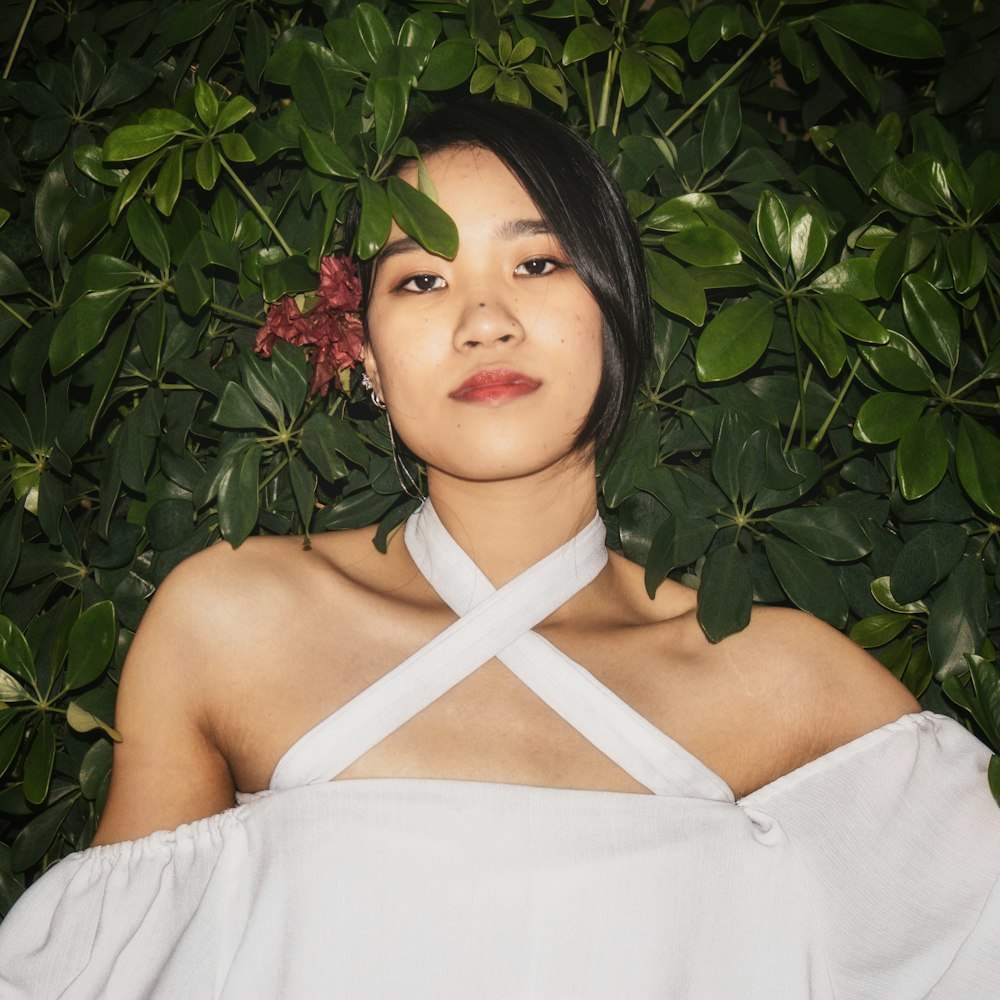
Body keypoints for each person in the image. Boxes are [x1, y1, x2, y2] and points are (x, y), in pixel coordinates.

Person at [0, 101, 997, 999]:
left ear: (611, 311)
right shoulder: (236, 618)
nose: (483, 320)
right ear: (369, 359)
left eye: (536, 262)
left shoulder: (780, 681)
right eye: (422, 279)